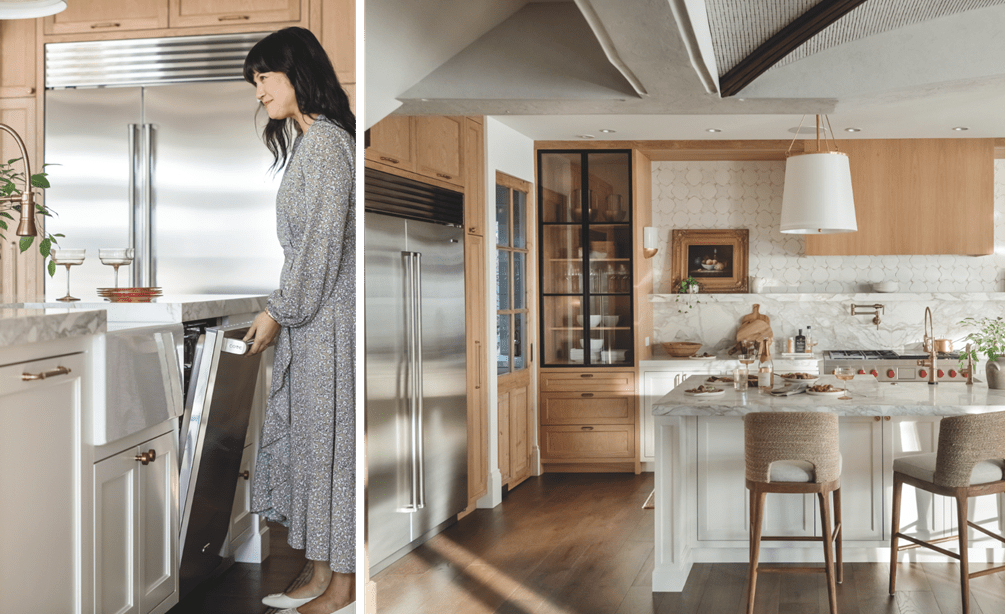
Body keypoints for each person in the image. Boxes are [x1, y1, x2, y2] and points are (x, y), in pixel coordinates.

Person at [241, 27, 356, 614]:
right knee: (316, 449)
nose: (258, 91)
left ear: (297, 71)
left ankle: (341, 589)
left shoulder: (330, 146)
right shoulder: (311, 144)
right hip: (315, 323)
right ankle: (316, 572)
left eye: (265, 76)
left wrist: (278, 311)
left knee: (331, 451)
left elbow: (318, 249)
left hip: (329, 323)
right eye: (255, 81)